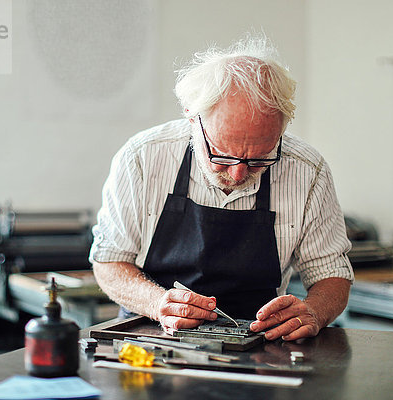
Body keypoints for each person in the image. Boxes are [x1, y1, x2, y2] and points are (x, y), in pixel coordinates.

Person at [89, 34, 354, 341]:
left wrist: (314, 311)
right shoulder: (143, 158)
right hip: (152, 340)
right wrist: (156, 303)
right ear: (192, 118)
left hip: (261, 347)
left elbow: (331, 274)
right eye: (222, 155)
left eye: (259, 159)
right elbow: (109, 262)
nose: (239, 172)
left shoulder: (308, 170)